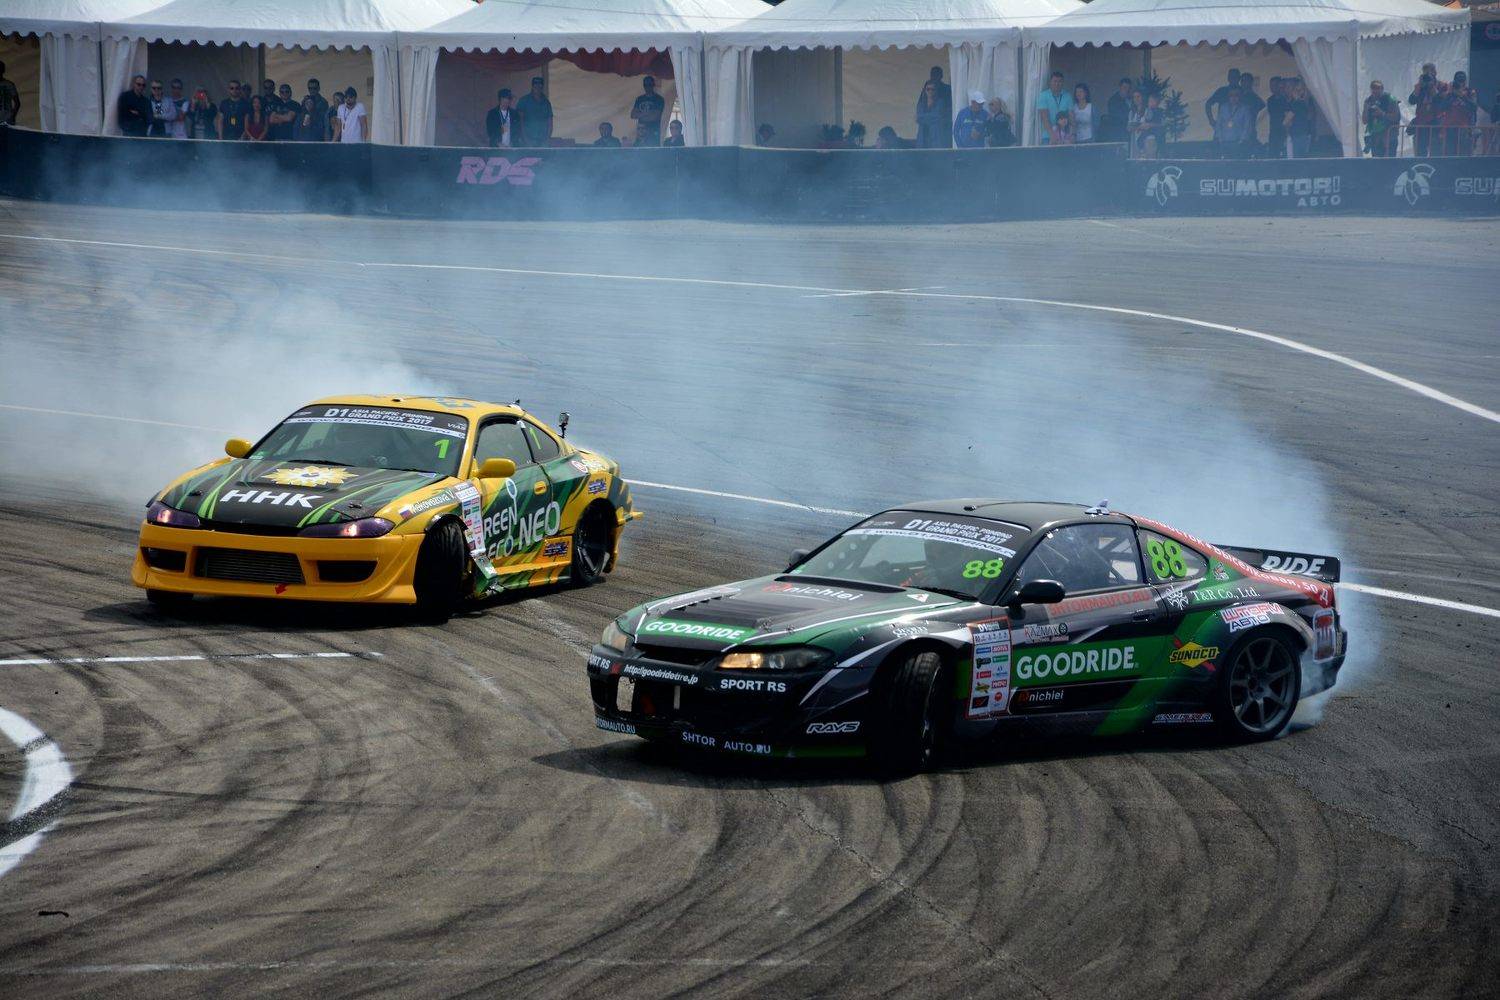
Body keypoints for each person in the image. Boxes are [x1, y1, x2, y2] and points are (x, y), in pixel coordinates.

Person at [1035, 70, 1074, 145]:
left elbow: (1071, 117)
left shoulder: (1067, 96)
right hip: (1048, 136)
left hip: (1065, 137)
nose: (1057, 84)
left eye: (1060, 81)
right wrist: (1052, 135)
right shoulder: (1043, 96)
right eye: (1055, 81)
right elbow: (1045, 118)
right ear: (1050, 82)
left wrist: (1073, 135)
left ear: (1063, 83)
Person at [1363, 80, 1400, 157]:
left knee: (1390, 161)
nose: (1375, 90)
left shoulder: (1390, 99)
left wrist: (1382, 113)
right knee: (1377, 162)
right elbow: (1364, 121)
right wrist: (1366, 109)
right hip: (1375, 137)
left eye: (1378, 88)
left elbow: (1396, 117)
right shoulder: (1369, 100)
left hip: (1389, 136)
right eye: (1373, 88)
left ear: (1382, 89)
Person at [1408, 67, 1439, 157]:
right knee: (1420, 153)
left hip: (1435, 124)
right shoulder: (1421, 87)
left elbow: (1441, 103)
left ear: (1435, 72)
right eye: (1425, 74)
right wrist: (1417, 89)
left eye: (1430, 73)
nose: (1427, 76)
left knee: (1435, 153)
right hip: (1421, 124)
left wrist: (1433, 88)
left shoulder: (1441, 85)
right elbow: (1411, 101)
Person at [1212, 86, 1251, 158]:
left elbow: (1247, 126)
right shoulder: (1223, 107)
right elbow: (1218, 124)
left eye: (1236, 95)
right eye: (1231, 95)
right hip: (1224, 141)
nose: (1233, 97)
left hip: (1238, 141)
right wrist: (1220, 138)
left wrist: (1242, 140)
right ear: (1228, 96)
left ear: (1240, 96)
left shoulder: (1245, 108)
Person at [516, 76, 553, 147]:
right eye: (535, 85)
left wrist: (547, 139)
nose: (538, 87)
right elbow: (520, 122)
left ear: (542, 87)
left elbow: (550, 123)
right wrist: (525, 139)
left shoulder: (546, 103)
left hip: (543, 141)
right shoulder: (523, 101)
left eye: (540, 85)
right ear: (532, 86)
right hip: (527, 140)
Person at [630, 75, 664, 147]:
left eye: (649, 84)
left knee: (652, 151)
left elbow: (655, 116)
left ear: (653, 85)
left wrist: (640, 114)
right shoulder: (639, 99)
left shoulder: (659, 99)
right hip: (641, 133)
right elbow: (633, 115)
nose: (647, 87)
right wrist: (648, 113)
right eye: (645, 85)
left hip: (653, 132)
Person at [1204, 68, 1242, 132]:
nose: (1233, 79)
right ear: (1228, 78)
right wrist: (1211, 121)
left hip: (1240, 129)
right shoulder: (1222, 91)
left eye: (1235, 77)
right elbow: (1208, 104)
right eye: (1231, 77)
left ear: (1239, 78)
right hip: (1222, 128)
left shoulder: (1243, 92)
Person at [915, 78, 949, 149]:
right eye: (928, 89)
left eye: (932, 89)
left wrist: (924, 118)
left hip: (936, 138)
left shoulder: (940, 102)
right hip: (923, 138)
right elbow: (918, 118)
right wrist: (932, 118)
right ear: (925, 90)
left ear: (936, 91)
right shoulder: (921, 104)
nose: (930, 91)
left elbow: (938, 117)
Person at [1285, 78, 1313, 158]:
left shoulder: (1297, 103)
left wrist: (1288, 122)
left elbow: (1285, 121)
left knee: (1297, 160)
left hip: (1298, 136)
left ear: (1293, 89)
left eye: (1288, 87)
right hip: (1299, 135)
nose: (1286, 89)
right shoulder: (1298, 102)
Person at [1238, 73, 1263, 152]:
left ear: (1251, 82)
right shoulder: (1238, 96)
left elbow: (1261, 107)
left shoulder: (1254, 98)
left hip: (1249, 129)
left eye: (1246, 81)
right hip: (1237, 130)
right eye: (1242, 81)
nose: (1243, 83)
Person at [1266, 76, 1289, 157]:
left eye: (1275, 85)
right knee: (1272, 153)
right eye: (1271, 85)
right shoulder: (1270, 100)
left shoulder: (1286, 99)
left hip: (1284, 129)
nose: (1273, 88)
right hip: (1273, 130)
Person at [1104, 77, 1132, 142]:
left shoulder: (1131, 99)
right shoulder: (1113, 101)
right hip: (1118, 133)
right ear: (1120, 87)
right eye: (1124, 87)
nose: (1126, 90)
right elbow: (1117, 117)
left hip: (1129, 132)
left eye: (1129, 88)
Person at [0, 61, 19, 126]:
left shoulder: (9, 84)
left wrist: (12, 116)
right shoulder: (9, 84)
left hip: (7, 120)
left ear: (3, 70)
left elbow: (17, 103)